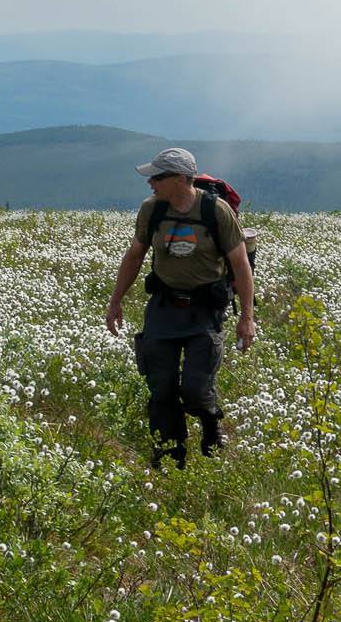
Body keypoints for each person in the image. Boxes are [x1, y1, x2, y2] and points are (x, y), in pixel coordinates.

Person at [103, 148, 257, 468]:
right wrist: (115, 301)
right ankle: (169, 457)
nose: (151, 183)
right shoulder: (152, 210)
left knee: (196, 390)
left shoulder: (216, 212)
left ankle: (211, 425)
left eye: (157, 177)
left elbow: (241, 265)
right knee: (161, 387)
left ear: (181, 180)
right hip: (163, 307)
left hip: (205, 311)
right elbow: (135, 255)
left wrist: (247, 318)